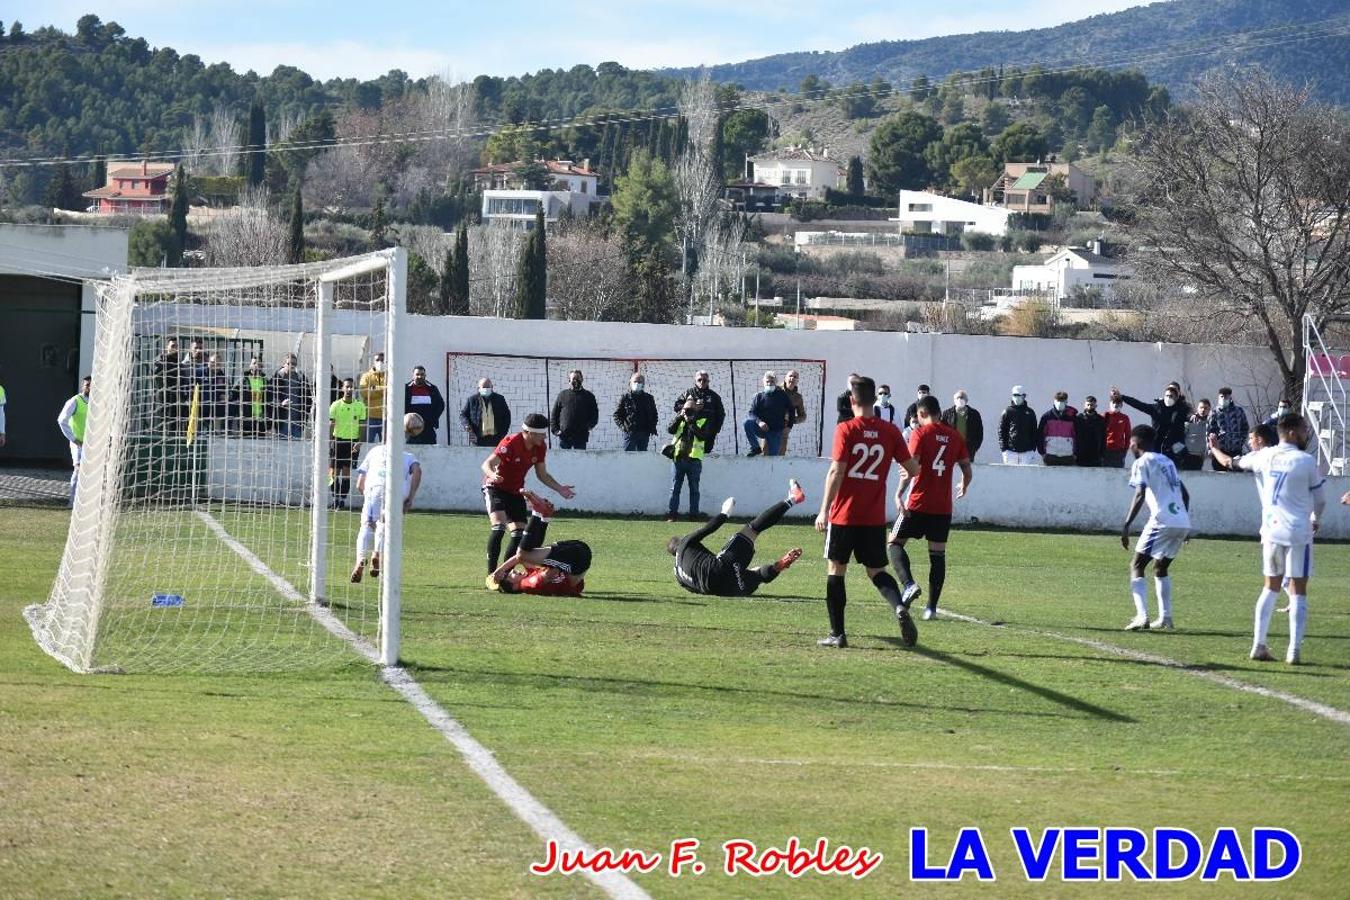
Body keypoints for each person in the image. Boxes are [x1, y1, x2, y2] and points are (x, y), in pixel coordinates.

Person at [1209, 415, 1326, 665]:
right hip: (1299, 533)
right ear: (1293, 433)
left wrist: (1214, 449)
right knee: (1298, 591)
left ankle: (1258, 645)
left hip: (1271, 531)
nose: (1307, 434)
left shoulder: (1263, 456)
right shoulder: (1305, 461)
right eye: (1305, 430)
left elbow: (1230, 462)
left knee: (1270, 588)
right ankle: (1293, 651)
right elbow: (1321, 499)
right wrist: (1316, 518)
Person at [814, 376, 921, 649]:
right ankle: (898, 606)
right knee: (876, 571)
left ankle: (837, 634)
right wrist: (901, 474)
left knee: (836, 571)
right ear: (875, 400)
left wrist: (823, 510)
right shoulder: (890, 431)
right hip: (873, 517)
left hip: (844, 515)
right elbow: (912, 469)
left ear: (852, 401)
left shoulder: (846, 429)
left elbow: (837, 470)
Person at [889, 396, 972, 621]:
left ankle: (908, 585)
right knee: (937, 555)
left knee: (894, 543)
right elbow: (967, 469)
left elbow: (911, 468)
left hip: (918, 503)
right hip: (942, 507)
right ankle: (931, 609)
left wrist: (898, 494)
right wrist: (963, 485)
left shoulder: (920, 434)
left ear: (922, 414)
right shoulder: (955, 436)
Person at [481, 412, 576, 579]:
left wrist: (559, 488)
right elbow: (487, 464)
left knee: (519, 533)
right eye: (541, 434)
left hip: (515, 491)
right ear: (529, 433)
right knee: (499, 527)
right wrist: (492, 475)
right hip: (494, 487)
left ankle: (504, 574)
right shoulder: (511, 442)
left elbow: (542, 474)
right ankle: (491, 575)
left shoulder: (540, 447)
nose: (544, 437)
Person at [668, 482, 806, 597]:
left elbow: (696, 589)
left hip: (723, 590)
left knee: (756, 575)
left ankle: (779, 565)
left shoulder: (678, 574)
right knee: (752, 529)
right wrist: (725, 513)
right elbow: (709, 528)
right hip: (717, 569)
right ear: (679, 542)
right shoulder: (685, 543)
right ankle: (792, 499)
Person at [1120, 424, 1191, 631]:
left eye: (1131, 443)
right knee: (1160, 567)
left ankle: (1142, 616)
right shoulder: (1167, 461)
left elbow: (1140, 493)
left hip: (1162, 520)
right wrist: (1183, 519)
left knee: (1136, 565)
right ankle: (1166, 618)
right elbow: (1185, 494)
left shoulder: (1142, 462)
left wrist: (1126, 525)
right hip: (1181, 521)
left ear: (1137, 443)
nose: (1130, 447)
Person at [350, 412, 423, 585]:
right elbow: (418, 471)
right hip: (397, 491)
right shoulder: (408, 457)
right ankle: (377, 553)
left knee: (367, 526)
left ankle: (360, 559)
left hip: (375, 488)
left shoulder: (374, 451)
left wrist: (367, 496)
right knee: (384, 524)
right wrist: (410, 497)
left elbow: (360, 484)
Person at [489, 493, 592, 596]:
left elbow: (520, 559)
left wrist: (500, 570)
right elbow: (550, 574)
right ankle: (537, 512)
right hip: (576, 560)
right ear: (513, 586)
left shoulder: (529, 576)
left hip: (578, 554)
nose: (513, 571)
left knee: (528, 553)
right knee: (524, 554)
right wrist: (550, 564)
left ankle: (545, 517)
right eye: (508, 576)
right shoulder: (526, 584)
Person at [1113, 383, 1190, 466]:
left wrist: (1181, 443)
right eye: (1167, 396)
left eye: (1171, 396)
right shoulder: (1156, 408)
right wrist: (1123, 397)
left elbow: (1189, 427)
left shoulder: (1182, 411)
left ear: (1176, 397)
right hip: (1156, 445)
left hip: (1173, 448)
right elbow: (1139, 405)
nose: (1168, 398)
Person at [666, 399, 714, 521]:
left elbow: (703, 436)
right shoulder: (680, 419)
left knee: (694, 489)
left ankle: (693, 515)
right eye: (686, 409)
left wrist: (691, 422)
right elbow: (670, 430)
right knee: (675, 488)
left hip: (694, 460)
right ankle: (672, 514)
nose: (688, 411)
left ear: (696, 409)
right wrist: (680, 417)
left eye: (691, 409)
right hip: (678, 459)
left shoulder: (702, 420)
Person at [328, 378, 366, 510]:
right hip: (337, 441)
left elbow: (362, 425)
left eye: (352, 387)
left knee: (346, 472)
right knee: (332, 474)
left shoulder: (360, 406)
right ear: (342, 389)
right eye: (347, 387)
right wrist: (329, 441)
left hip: (352, 443)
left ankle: (342, 500)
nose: (349, 389)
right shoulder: (335, 405)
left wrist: (360, 441)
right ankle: (335, 499)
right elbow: (331, 424)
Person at [57, 376, 91, 507]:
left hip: (93, 444)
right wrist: (73, 438)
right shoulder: (75, 401)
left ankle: (88, 503)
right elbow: (62, 420)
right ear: (83, 386)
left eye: (91, 385)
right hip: (79, 443)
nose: (89, 387)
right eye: (87, 385)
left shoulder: (99, 402)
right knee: (79, 470)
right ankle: (72, 502)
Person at [672, 371, 726, 452]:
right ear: (695, 381)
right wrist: (688, 406)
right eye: (699, 380)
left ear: (708, 381)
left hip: (707, 432)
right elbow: (676, 406)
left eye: (704, 380)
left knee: (705, 454)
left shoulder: (714, 396)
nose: (702, 382)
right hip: (690, 430)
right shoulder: (688, 393)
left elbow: (721, 414)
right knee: (687, 453)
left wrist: (715, 430)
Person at [745, 370, 791, 457]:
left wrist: (789, 426)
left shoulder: (782, 395)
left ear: (775, 382)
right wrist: (759, 422)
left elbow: (791, 410)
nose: (769, 383)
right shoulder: (759, 396)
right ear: (764, 383)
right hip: (762, 429)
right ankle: (755, 448)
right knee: (747, 423)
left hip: (775, 431)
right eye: (767, 381)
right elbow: (751, 413)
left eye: (772, 381)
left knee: (772, 458)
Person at [551, 369, 599, 450]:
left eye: (578, 378)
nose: (575, 380)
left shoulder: (589, 396)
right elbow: (554, 415)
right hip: (564, 437)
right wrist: (556, 430)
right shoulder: (562, 395)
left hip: (581, 438)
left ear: (582, 379)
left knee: (581, 461)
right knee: (564, 461)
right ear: (569, 380)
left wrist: (588, 427)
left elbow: (594, 415)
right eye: (573, 378)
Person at [268, 353, 312, 440]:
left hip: (297, 422)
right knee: (282, 449)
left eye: (294, 364)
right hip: (282, 421)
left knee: (296, 449)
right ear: (284, 364)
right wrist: (281, 403)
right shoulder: (276, 379)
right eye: (289, 363)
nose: (292, 366)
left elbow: (308, 399)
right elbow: (269, 398)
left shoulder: (301, 379)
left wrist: (304, 418)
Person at [1208, 387, 1250, 472]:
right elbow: (1209, 431)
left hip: (1235, 450)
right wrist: (1211, 449)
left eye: (1226, 397)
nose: (1223, 399)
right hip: (1221, 451)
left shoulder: (1239, 411)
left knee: (1236, 476)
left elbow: (1245, 427)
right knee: (1219, 477)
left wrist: (1240, 441)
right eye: (1221, 397)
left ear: (1230, 398)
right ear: (1218, 397)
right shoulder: (1214, 413)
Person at [613, 372, 658, 451]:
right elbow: (617, 415)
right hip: (630, 434)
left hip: (644, 433)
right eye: (635, 381)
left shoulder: (649, 398)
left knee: (642, 457)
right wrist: (624, 427)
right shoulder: (625, 398)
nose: (637, 384)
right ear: (630, 383)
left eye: (640, 382)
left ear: (643, 384)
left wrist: (652, 427)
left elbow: (654, 415)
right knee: (628, 457)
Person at [460, 377, 510, 448]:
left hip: (496, 439)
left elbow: (507, 416)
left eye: (488, 387)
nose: (486, 389)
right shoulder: (472, 400)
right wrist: (467, 425)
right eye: (484, 387)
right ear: (478, 388)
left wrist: (503, 432)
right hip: (478, 438)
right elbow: (463, 415)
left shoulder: (500, 399)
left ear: (492, 387)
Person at [405, 365, 446, 445]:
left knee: (431, 451)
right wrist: (406, 420)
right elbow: (400, 405)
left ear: (425, 375)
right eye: (417, 374)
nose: (419, 376)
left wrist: (433, 419)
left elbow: (441, 405)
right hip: (411, 428)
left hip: (428, 428)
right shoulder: (406, 388)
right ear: (413, 375)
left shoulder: (433, 388)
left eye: (422, 374)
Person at [998, 385, 1038, 465]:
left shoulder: (1030, 412)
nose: (1016, 397)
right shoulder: (1007, 411)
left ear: (1024, 396)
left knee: (1026, 476)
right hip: (1010, 452)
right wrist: (1004, 449)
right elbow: (1001, 431)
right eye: (1014, 395)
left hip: (1027, 452)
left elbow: (1034, 431)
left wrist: (1033, 449)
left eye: (1019, 395)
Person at [153, 337, 185, 434]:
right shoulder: (161, 359)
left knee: (173, 425)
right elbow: (155, 373)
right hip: (163, 397)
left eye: (176, 346)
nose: (175, 348)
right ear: (167, 347)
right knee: (161, 423)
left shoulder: (179, 364)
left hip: (175, 398)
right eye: (172, 346)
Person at [940, 390, 983, 461]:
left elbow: (979, 433)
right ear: (954, 400)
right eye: (958, 398)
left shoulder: (974, 414)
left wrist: (974, 448)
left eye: (962, 398)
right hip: (951, 447)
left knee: (966, 469)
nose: (960, 400)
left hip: (968, 449)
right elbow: (942, 431)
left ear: (966, 400)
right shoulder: (947, 414)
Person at [1037, 391, 1077, 466]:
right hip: (1050, 455)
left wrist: (1075, 454)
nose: (1060, 403)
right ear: (1054, 401)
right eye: (1058, 401)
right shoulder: (1046, 416)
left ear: (1066, 402)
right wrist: (1042, 453)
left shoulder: (1072, 418)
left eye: (1062, 401)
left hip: (1068, 455)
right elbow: (1040, 435)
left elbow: (1077, 436)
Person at [233, 356, 269, 437]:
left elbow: (270, 400)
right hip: (246, 421)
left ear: (262, 366)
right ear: (250, 366)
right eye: (254, 363)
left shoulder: (266, 381)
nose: (256, 365)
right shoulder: (243, 381)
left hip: (261, 422)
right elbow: (232, 395)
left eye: (259, 364)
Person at [359, 352, 388, 443]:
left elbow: (392, 391)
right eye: (377, 360)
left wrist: (374, 389)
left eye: (382, 360)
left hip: (386, 417)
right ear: (373, 362)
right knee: (367, 444)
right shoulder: (366, 376)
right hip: (370, 416)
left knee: (387, 445)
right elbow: (364, 393)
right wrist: (383, 390)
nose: (380, 362)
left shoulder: (390, 376)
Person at [197, 352, 229, 433]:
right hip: (199, 408)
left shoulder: (222, 376)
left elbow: (227, 390)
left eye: (218, 364)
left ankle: (217, 432)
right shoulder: (200, 372)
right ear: (209, 362)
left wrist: (225, 395)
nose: (215, 365)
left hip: (214, 410)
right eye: (213, 362)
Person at [1073, 395, 1107, 467]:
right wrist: (1074, 453)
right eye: (1088, 405)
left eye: (1092, 405)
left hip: (1095, 456)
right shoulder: (1079, 418)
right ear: (1084, 405)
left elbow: (1104, 437)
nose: (1089, 407)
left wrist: (1102, 454)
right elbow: (1074, 435)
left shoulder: (1100, 420)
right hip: (1081, 456)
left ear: (1095, 406)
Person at [780, 369, 808, 453]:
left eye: (795, 377)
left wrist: (791, 420)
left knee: (779, 457)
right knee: (765, 455)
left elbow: (803, 416)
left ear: (797, 381)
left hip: (784, 430)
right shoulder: (776, 390)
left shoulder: (798, 397)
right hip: (770, 428)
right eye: (790, 376)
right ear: (785, 378)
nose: (792, 378)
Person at [1180, 398, 1211, 471]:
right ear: (1197, 408)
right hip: (1186, 455)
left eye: (1205, 408)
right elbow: (1182, 436)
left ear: (1209, 409)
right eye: (1201, 407)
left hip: (1199, 456)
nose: (1203, 410)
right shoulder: (1190, 420)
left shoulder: (1211, 423)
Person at [1103, 396, 1131, 468]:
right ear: (1110, 404)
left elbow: (1128, 434)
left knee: (1118, 472)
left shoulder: (1125, 418)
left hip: (1119, 451)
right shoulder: (1104, 416)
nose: (1115, 405)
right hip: (1106, 450)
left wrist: (1125, 449)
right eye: (1113, 403)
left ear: (1121, 405)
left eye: (1118, 403)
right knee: (1105, 472)